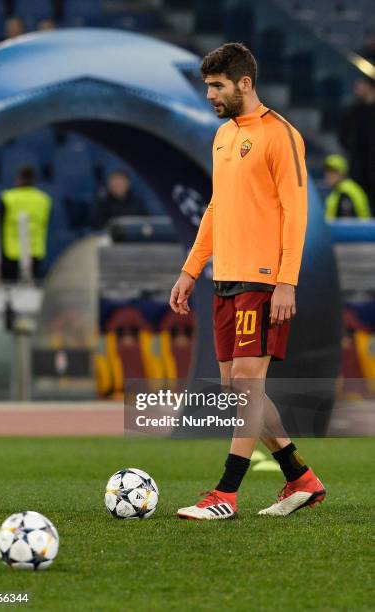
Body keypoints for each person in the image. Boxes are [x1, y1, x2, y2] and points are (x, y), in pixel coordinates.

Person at [169, 42, 326, 520]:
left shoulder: (281, 135)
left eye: (217, 86)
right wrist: (191, 269)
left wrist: (286, 281)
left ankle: (226, 495)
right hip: (226, 278)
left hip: (263, 279)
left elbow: (296, 213)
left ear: (244, 83)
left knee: (247, 386)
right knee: (236, 388)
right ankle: (301, 478)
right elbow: (217, 208)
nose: (211, 95)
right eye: (208, 87)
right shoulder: (222, 137)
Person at [0, 165, 51, 280]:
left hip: (10, 251)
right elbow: (44, 222)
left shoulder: (7, 197)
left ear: (18, 179)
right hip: (34, 250)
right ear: (34, 180)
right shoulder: (43, 199)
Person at [338, 77, 375, 212]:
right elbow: (342, 137)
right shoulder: (352, 112)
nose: (357, 86)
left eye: (361, 83)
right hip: (358, 172)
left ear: (370, 86)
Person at [324, 154, 371, 220]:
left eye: (333, 172)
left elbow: (348, 225)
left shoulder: (345, 193)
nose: (328, 175)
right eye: (327, 171)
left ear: (342, 173)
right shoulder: (339, 190)